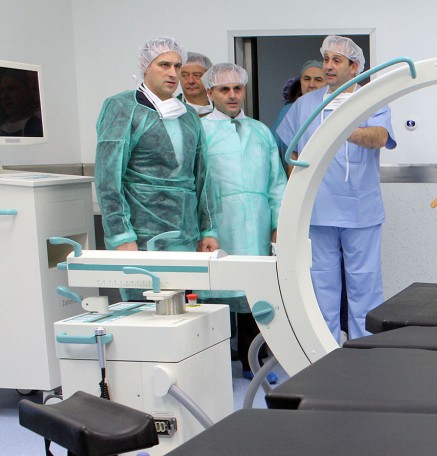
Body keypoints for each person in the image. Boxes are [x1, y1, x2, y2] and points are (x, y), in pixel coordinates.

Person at [276, 36, 396, 341]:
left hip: (360, 209)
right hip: (316, 209)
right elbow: (292, 152)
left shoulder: (370, 99)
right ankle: (325, 350)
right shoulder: (306, 104)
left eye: (336, 60)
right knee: (321, 285)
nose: (328, 66)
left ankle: (366, 351)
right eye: (326, 59)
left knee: (365, 284)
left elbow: (380, 137)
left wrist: (344, 129)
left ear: (354, 67)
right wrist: (295, 199)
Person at [94, 37, 218, 300]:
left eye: (177, 66)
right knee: (145, 311)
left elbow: (201, 177)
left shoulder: (188, 116)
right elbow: (108, 178)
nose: (173, 73)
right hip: (140, 236)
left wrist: (207, 230)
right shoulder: (123, 108)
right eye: (164, 65)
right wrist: (121, 235)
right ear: (145, 67)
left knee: (183, 311)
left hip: (185, 236)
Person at [199, 62, 286, 382]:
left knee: (255, 293)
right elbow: (198, 184)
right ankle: (214, 364)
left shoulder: (261, 131)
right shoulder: (200, 131)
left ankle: (254, 362)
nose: (232, 95)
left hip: (258, 223)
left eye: (237, 88)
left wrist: (278, 223)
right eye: (224, 89)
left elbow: (277, 182)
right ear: (210, 93)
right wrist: (205, 228)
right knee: (216, 294)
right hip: (219, 224)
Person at [272, 59, 325, 163]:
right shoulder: (289, 110)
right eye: (306, 79)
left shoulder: (334, 110)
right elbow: (272, 148)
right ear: (300, 81)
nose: (311, 84)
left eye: (318, 80)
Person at [0, 69, 43, 137]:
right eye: (2, 91)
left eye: (12, 89)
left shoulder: (39, 126)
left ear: (28, 90)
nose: (5, 96)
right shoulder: (2, 128)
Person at [179, 52, 213, 116]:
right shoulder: (172, 109)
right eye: (185, 75)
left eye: (197, 75)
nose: (190, 81)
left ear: (208, 78)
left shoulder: (222, 108)